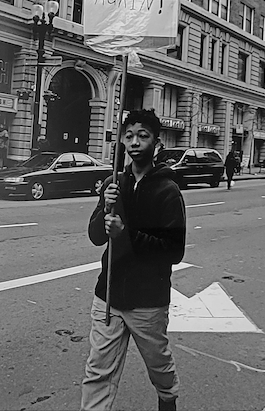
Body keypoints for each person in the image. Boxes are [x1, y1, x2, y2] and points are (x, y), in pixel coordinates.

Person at [80, 109, 186, 411]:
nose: (135, 142)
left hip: (147, 300)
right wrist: (105, 208)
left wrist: (127, 233)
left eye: (143, 136)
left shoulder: (168, 191)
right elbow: (95, 236)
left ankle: (167, 399)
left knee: (159, 363)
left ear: (156, 141)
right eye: (129, 136)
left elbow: (173, 251)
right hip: (109, 296)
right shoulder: (114, 183)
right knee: (97, 370)